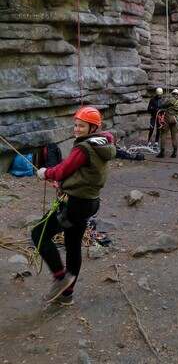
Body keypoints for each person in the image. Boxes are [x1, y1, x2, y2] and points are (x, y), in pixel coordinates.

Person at [32, 106, 116, 305]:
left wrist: (46, 173)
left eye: (82, 126)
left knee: (38, 233)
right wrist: (64, 185)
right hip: (89, 202)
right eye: (76, 125)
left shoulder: (84, 148)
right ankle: (67, 295)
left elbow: (63, 169)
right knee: (72, 246)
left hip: (75, 204)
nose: (77, 129)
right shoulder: (102, 144)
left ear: (93, 128)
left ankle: (61, 278)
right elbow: (80, 173)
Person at [156, 89, 178, 158]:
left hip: (167, 118)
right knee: (174, 135)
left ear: (173, 93)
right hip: (175, 119)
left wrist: (166, 101)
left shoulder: (170, 100)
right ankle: (175, 152)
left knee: (164, 134)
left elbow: (162, 105)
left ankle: (162, 152)